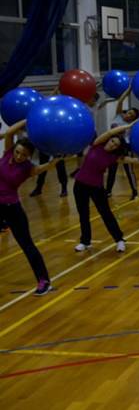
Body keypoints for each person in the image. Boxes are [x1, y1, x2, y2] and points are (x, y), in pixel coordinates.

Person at [0, 121, 66, 295]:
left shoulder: (28, 168)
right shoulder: (7, 154)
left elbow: (45, 167)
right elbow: (10, 133)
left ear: (29, 156)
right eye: (18, 152)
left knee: (27, 245)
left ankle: (44, 281)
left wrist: (57, 160)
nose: (19, 156)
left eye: (24, 155)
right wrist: (28, 118)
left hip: (11, 208)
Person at [72, 122, 139, 253]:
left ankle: (119, 240)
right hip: (79, 184)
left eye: (115, 145)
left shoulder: (114, 157)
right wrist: (127, 126)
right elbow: (109, 133)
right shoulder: (96, 144)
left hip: (96, 187)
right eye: (112, 141)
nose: (112, 144)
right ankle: (85, 241)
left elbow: (134, 161)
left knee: (106, 214)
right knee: (83, 214)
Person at [105, 84, 139, 199]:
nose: (128, 115)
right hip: (113, 147)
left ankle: (135, 192)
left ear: (133, 119)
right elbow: (120, 101)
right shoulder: (118, 116)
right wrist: (129, 90)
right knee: (112, 170)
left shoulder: (131, 125)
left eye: (132, 115)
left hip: (124, 148)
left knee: (129, 170)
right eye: (129, 112)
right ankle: (108, 191)